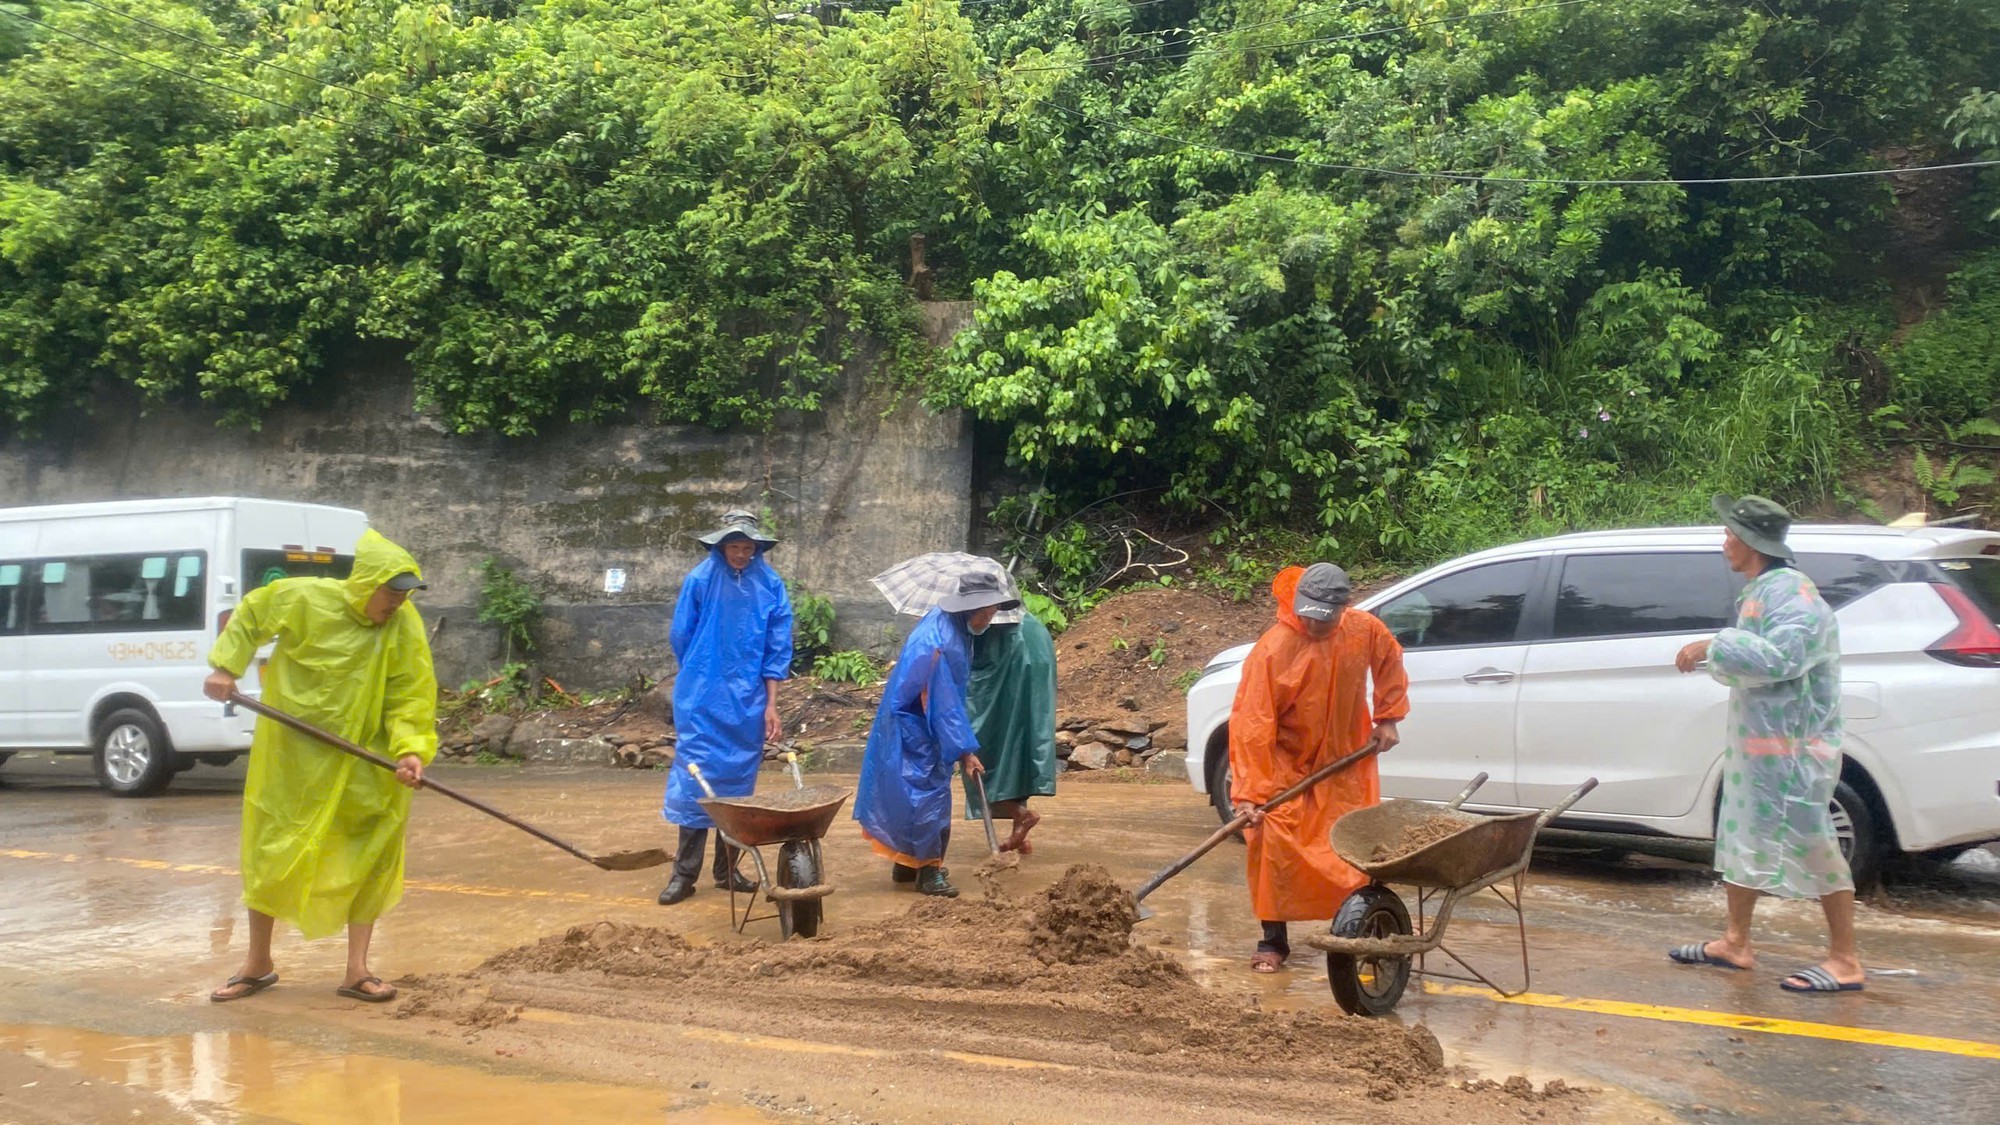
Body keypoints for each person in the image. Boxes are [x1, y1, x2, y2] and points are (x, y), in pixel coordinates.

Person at [202, 529, 438, 1004]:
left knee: (370, 851)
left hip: (365, 757)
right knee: (272, 848)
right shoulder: (304, 597)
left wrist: (410, 749)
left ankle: (357, 970)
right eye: (391, 593)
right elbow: (250, 615)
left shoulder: (402, 623)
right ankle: (258, 963)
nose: (397, 603)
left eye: (404, 594)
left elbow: (410, 688)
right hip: (293, 753)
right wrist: (227, 667)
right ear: (365, 583)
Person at [1669, 495, 1863, 993]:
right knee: (1741, 834)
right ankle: (1736, 942)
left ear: (1751, 541)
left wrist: (1716, 644)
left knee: (1815, 841)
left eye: (1730, 534)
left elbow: (1782, 657)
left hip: (1794, 750)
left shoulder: (1792, 593)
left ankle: (1845, 959)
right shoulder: (1764, 590)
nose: (1724, 543)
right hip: (1762, 746)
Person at [1229, 563, 1409, 973]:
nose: (1315, 625)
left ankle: (1357, 929)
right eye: (1309, 615)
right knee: (1273, 846)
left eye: (1325, 619)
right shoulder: (1273, 649)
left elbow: (1390, 662)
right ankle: (1273, 940)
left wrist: (1388, 718)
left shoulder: (1364, 630)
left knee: (1352, 848)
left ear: (1343, 610)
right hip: (1286, 766)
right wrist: (1251, 794)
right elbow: (1252, 726)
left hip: (1346, 763)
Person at [854, 570, 1020, 898]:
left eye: (993, 609)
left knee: (907, 796)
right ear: (968, 606)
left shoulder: (952, 626)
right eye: (986, 609)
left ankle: (907, 863)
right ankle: (928, 872)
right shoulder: (942, 641)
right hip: (917, 725)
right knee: (928, 797)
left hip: (913, 721)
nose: (990, 616)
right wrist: (965, 751)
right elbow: (942, 704)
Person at [659, 509, 795, 905]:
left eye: (747, 547)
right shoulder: (700, 579)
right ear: (721, 545)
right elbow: (681, 634)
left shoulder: (770, 585)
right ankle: (684, 875)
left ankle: (727, 870)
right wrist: (701, 674)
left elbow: (777, 647)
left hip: (748, 701)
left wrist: (771, 705)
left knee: (736, 788)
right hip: (702, 695)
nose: (741, 554)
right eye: (735, 546)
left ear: (757, 548)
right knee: (694, 783)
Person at [961, 607, 1059, 854]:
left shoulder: (979, 608)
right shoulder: (1016, 607)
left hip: (1008, 651)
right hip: (1035, 645)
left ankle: (1020, 814)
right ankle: (1019, 832)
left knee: (980, 755)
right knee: (1016, 745)